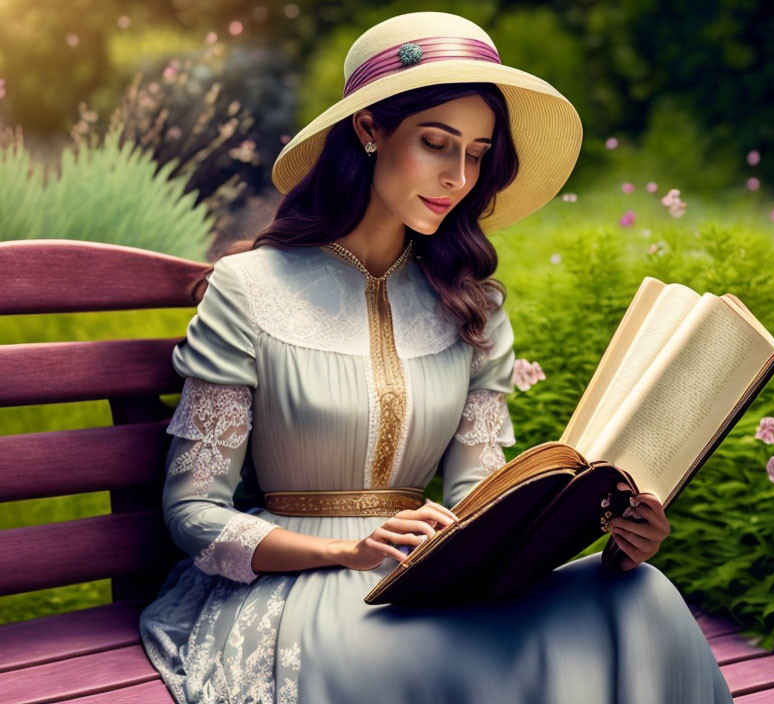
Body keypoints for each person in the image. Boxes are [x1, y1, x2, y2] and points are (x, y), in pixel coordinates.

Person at [139, 11, 735, 704]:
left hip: (434, 576)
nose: (457, 176)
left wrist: (612, 532)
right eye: (436, 143)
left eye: (477, 153)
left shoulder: (471, 307)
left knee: (641, 599)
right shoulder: (249, 289)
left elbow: (474, 501)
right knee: (467, 662)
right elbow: (193, 512)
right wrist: (344, 550)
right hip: (300, 589)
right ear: (368, 129)